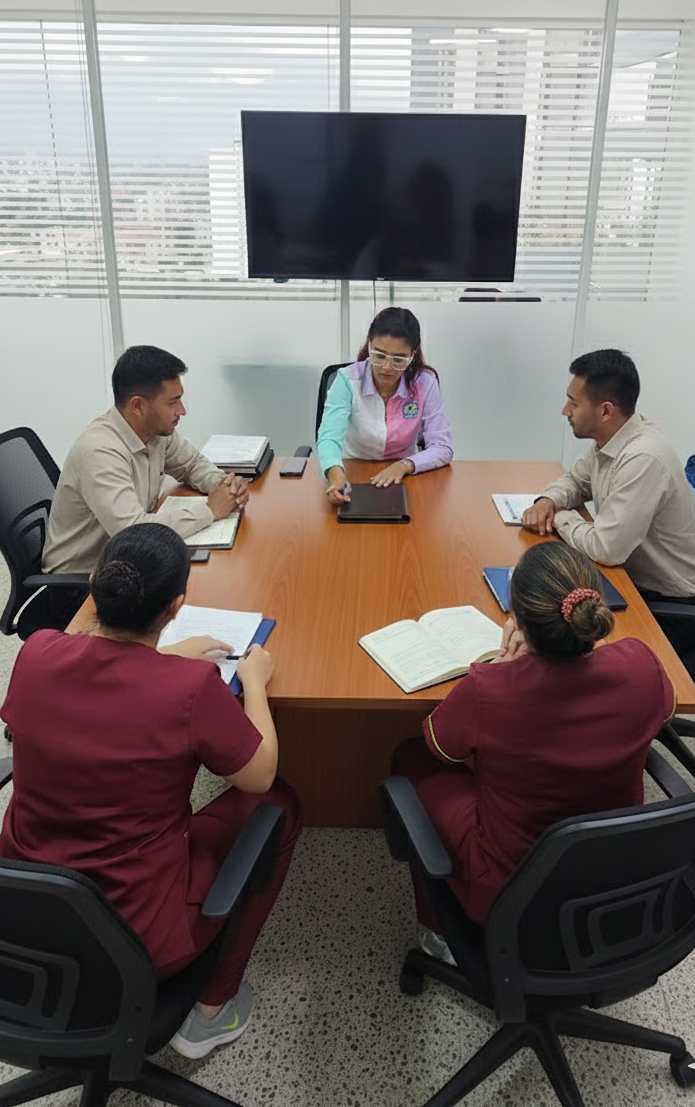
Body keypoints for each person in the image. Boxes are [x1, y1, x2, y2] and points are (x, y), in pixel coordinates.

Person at [0, 522, 301, 1059]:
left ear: (95, 584)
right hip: (133, 939)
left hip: (23, 917)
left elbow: (98, 681)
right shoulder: (187, 689)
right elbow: (258, 774)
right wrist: (254, 682)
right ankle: (212, 1011)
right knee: (279, 805)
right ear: (176, 606)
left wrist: (161, 658)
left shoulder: (37, 653)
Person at [392, 542, 675, 961]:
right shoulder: (640, 663)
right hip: (616, 874)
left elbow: (440, 747)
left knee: (410, 758)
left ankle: (439, 935)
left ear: (518, 622)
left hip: (509, 889)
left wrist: (500, 671)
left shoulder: (491, 689)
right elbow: (663, 711)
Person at [37, 344, 250, 633]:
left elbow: (191, 464)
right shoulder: (100, 452)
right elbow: (134, 530)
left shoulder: (154, 431)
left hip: (129, 566)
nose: (182, 411)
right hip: (85, 586)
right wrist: (211, 510)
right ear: (138, 405)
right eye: (173, 402)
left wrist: (223, 485)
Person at [521, 348, 695, 653]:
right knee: (539, 598)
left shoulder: (643, 457)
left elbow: (606, 548)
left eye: (573, 402)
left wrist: (558, 516)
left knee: (553, 638)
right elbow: (575, 480)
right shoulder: (611, 438)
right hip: (629, 581)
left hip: (671, 606)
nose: (565, 411)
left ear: (606, 411)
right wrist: (548, 500)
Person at [317, 307, 453, 506]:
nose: (387, 367)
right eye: (379, 355)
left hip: (405, 477)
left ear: (412, 355)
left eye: (398, 359)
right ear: (369, 346)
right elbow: (329, 437)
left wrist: (405, 465)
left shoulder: (425, 382)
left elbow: (442, 446)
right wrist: (336, 475)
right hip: (353, 472)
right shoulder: (347, 380)